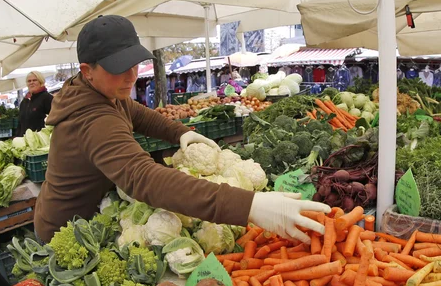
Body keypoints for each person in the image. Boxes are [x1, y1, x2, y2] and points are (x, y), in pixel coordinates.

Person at [34, 15, 330, 244]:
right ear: (87, 71)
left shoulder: (103, 91)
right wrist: (248, 205)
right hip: (68, 229)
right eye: (118, 67)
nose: (130, 76)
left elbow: (138, 114)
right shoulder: (91, 118)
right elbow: (143, 179)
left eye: (134, 64)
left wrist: (180, 132)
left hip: (92, 211)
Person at [17, 71, 53, 136]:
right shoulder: (25, 101)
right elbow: (20, 123)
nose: (31, 83)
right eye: (29, 81)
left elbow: (53, 119)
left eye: (34, 80)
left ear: (40, 81)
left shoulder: (47, 98)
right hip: (26, 140)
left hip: (42, 140)